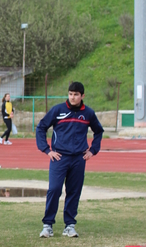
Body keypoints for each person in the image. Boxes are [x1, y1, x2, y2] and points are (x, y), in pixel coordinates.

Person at [36, 81, 104, 238]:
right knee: (54, 189)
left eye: (76, 95)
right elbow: (41, 127)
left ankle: (70, 226)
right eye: (70, 94)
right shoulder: (58, 110)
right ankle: (48, 226)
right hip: (59, 157)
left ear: (82, 96)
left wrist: (93, 150)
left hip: (78, 159)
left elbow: (98, 131)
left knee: (74, 191)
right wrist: (47, 150)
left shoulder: (88, 113)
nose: (72, 97)